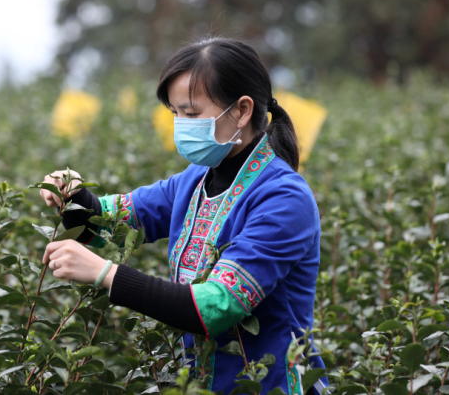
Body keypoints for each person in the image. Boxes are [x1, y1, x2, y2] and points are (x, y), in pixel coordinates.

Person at [40, 37, 328, 395]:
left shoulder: (284, 198)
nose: (181, 124)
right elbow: (110, 224)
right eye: (175, 113)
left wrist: (106, 274)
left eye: (192, 114)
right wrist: (72, 195)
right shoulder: (194, 179)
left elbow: (217, 305)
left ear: (241, 110)